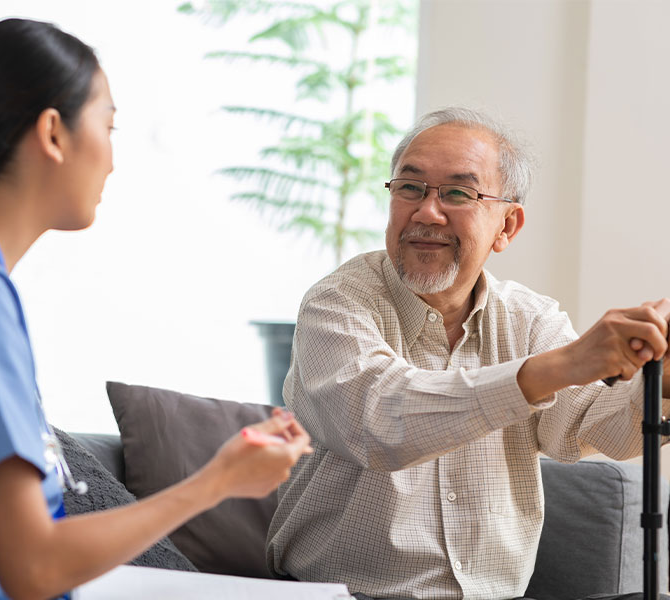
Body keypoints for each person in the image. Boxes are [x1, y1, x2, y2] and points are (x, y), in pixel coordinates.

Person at [0, 18, 312, 600]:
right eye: (108, 126)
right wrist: (218, 482)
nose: (111, 160)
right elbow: (33, 567)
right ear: (53, 133)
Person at [266, 107, 670, 600]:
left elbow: (589, 426)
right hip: (350, 595)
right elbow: (380, 422)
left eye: (458, 194)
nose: (426, 212)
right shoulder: (337, 303)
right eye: (410, 188)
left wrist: (664, 384)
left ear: (507, 226)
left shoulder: (530, 318)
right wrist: (558, 367)